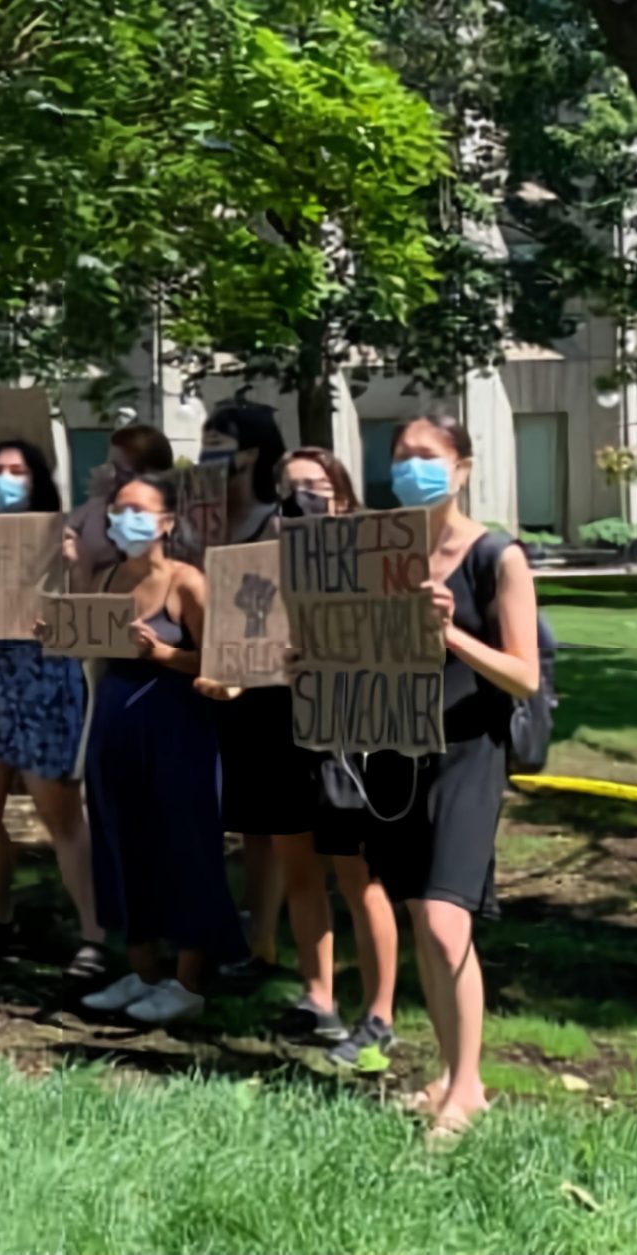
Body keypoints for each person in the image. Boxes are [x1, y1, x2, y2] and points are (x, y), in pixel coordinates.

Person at [363, 414, 540, 1139]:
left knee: (444, 919)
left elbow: (523, 675)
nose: (411, 469)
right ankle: (445, 1070)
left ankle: (467, 1090)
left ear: (461, 468)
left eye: (426, 457)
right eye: (401, 456)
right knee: (417, 914)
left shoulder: (497, 556)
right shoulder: (375, 555)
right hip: (395, 750)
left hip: (469, 748)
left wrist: (454, 635)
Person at [74, 474, 245, 1025]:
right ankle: (142, 970)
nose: (127, 519)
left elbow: (224, 658)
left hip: (178, 729)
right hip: (115, 728)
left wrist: (162, 657)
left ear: (167, 522)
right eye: (119, 509)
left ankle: (189, 980)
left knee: (186, 845)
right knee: (121, 846)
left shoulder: (186, 583)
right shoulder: (104, 580)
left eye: (140, 510)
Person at [265, 449, 401, 1070]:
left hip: (348, 736)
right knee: (299, 869)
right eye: (292, 490)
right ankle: (318, 995)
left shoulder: (375, 561)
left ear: (343, 496)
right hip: (282, 729)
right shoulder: (263, 566)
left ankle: (380, 1014)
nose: (305, 500)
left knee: (359, 879)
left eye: (317, 488)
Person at [0, 438, 101, 974]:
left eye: (17, 471)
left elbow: (85, 617)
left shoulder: (61, 538)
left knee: (58, 813)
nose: (5, 479)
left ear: (37, 480)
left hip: (44, 682)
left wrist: (74, 566)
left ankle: (93, 932)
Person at [196, 403, 295, 979]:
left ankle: (263, 935)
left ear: (252, 452)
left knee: (263, 822)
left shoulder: (275, 520)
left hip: (263, 691)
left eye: (219, 440)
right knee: (219, 813)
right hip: (202, 680)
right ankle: (221, 921)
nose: (208, 449)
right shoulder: (200, 520)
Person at [64, 424, 176, 589]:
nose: (111, 475)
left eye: (121, 470)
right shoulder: (98, 505)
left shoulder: (164, 515)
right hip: (95, 599)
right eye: (110, 466)